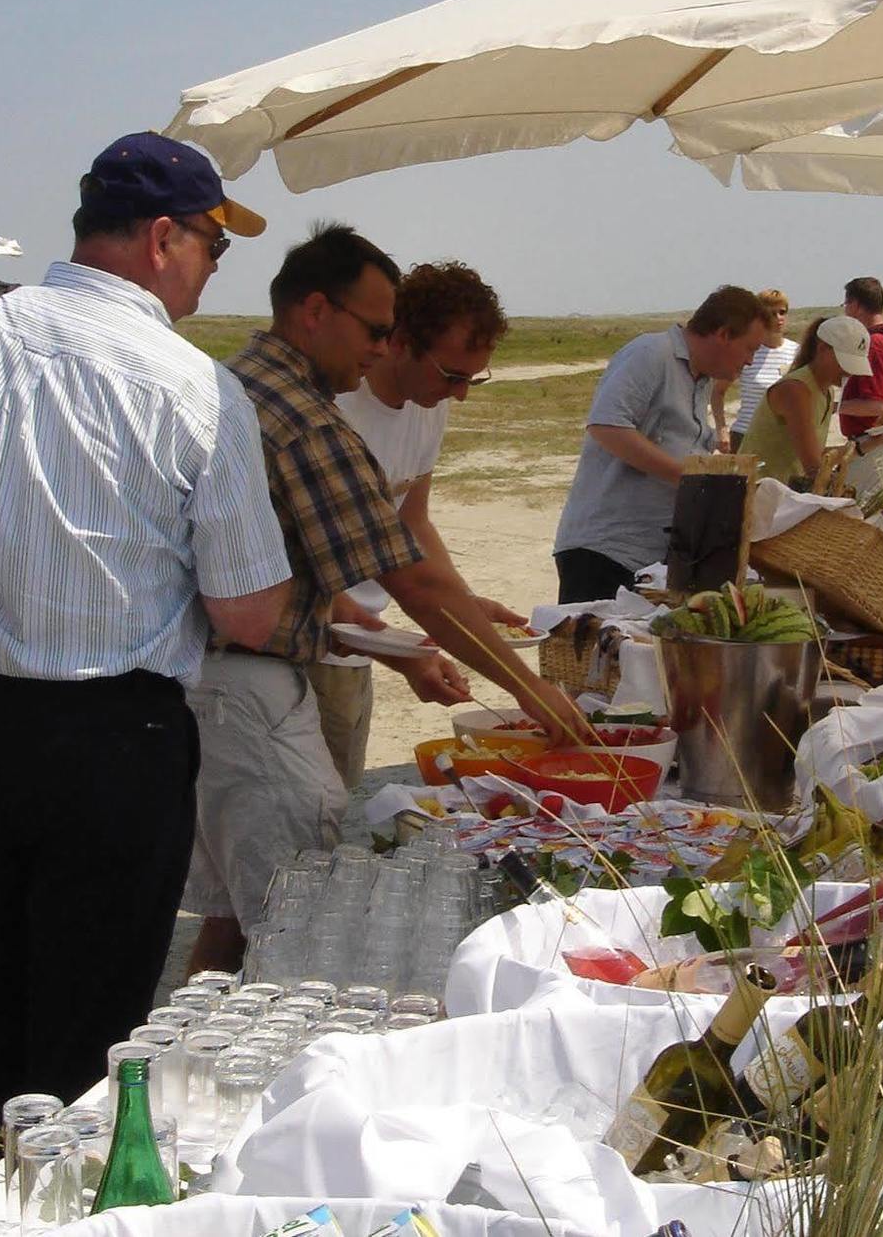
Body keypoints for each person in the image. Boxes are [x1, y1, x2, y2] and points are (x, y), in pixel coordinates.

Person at [0, 132, 292, 1205]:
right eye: (209, 249)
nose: (207, 273)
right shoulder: (194, 387)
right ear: (159, 239)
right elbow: (250, 608)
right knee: (90, 1022)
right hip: (118, 740)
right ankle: (60, 1216)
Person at [188, 223, 591, 972]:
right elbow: (410, 579)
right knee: (297, 918)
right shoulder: (309, 417)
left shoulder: (241, 381)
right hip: (252, 685)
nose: (378, 346)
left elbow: (367, 562)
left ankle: (184, 1047)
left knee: (235, 913)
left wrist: (425, 632)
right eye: (375, 330)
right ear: (317, 312)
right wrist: (529, 688)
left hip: (230, 677)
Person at [315, 260, 528, 789]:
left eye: (473, 379)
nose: (460, 394)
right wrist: (406, 645)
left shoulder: (427, 404)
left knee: (334, 808)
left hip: (359, 651)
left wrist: (458, 603)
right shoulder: (335, 403)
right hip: (309, 645)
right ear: (401, 340)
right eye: (452, 376)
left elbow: (412, 520)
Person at [552, 286, 770, 602]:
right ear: (723, 334)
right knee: (592, 651)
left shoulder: (703, 379)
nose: (751, 361)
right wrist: (690, 480)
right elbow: (606, 425)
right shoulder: (652, 353)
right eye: (750, 349)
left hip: (651, 560)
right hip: (604, 553)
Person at [743, 315, 875, 487]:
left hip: (779, 494)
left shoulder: (826, 392)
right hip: (756, 493)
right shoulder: (795, 390)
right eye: (845, 362)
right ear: (822, 349)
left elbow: (817, 456)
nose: (849, 372)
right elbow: (813, 466)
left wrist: (872, 442)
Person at [838, 276, 883, 501]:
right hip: (881, 445)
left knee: (863, 518)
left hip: (875, 448)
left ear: (856, 305)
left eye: (846, 305)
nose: (846, 312)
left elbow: (875, 404)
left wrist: (835, 406)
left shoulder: (875, 345)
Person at [711, 287, 798, 452]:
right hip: (746, 436)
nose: (778, 318)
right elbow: (718, 392)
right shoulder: (748, 350)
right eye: (771, 313)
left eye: (782, 312)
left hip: (783, 438)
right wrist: (722, 430)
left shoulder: (797, 352)